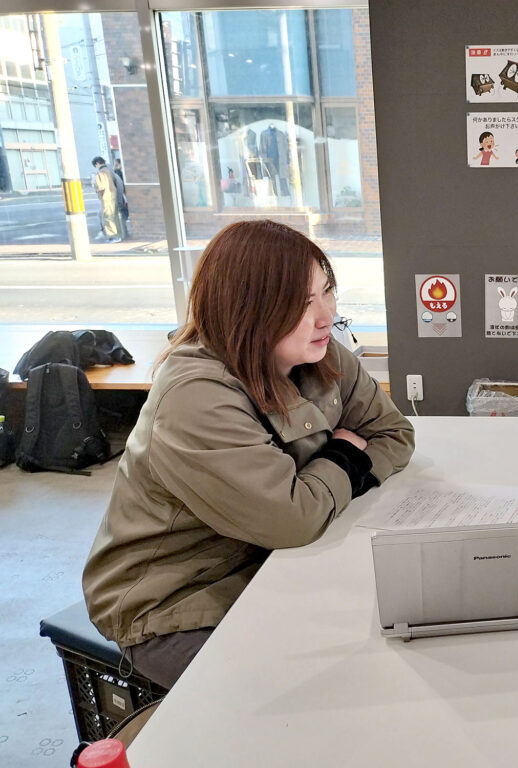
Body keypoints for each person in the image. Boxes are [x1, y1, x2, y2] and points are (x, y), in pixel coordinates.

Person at [82, 219, 415, 688]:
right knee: (314, 694)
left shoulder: (319, 353)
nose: (326, 315)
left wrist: (321, 489)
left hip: (272, 562)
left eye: (327, 292)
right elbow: (292, 519)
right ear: (248, 308)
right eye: (302, 303)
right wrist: (346, 456)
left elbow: (394, 433)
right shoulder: (195, 396)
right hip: (176, 605)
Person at [91, 156, 125, 243]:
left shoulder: (100, 173)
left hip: (106, 197)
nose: (96, 167)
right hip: (114, 195)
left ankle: (113, 237)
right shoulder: (110, 171)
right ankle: (119, 235)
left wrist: (96, 188)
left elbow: (100, 187)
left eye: (95, 165)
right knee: (115, 216)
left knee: (107, 217)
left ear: (97, 164)